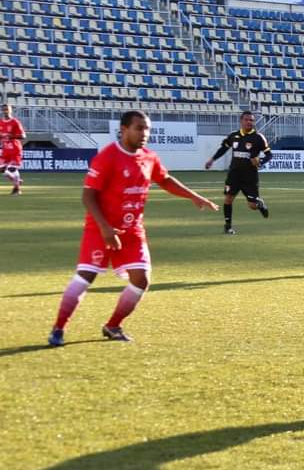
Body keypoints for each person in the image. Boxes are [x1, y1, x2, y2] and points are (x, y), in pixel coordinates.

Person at [48, 110, 217, 346]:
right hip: (100, 229)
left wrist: (194, 196)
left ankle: (113, 325)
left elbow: (165, 179)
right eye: (139, 128)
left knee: (141, 279)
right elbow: (88, 196)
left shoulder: (148, 157)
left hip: (132, 231)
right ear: (124, 129)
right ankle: (58, 328)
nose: (144, 134)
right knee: (86, 276)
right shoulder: (107, 157)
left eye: (147, 129)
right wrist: (105, 228)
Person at [204, 110, 272, 234]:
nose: (249, 122)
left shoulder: (258, 138)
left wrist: (260, 162)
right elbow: (223, 148)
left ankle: (259, 204)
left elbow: (269, 155)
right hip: (234, 174)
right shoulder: (233, 136)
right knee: (228, 199)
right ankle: (228, 226)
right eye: (246, 120)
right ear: (241, 121)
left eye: (251, 120)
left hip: (250, 176)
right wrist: (212, 160)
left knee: (252, 206)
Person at [0, 103, 26, 195]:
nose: (5, 111)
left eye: (7, 109)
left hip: (15, 149)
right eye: (4, 109)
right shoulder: (1, 122)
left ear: (11, 110)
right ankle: (17, 182)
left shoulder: (15, 122)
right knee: (2, 169)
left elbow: (23, 136)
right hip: (5, 150)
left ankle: (17, 189)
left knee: (12, 169)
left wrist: (12, 136)